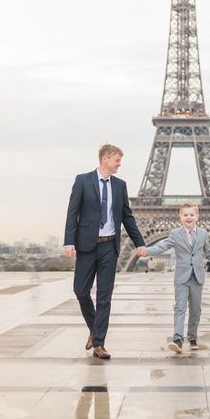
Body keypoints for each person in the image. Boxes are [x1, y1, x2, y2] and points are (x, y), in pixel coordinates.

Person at [63, 143, 145, 359]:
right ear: (105, 159)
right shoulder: (83, 180)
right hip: (87, 245)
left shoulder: (120, 185)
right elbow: (72, 213)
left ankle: (99, 342)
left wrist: (139, 242)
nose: (119, 164)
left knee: (104, 297)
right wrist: (68, 242)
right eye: (117, 160)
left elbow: (127, 216)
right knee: (80, 291)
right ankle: (94, 328)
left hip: (109, 245)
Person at [136, 202, 210, 353]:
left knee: (195, 310)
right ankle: (178, 339)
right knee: (180, 308)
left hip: (197, 277)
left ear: (197, 217)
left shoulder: (203, 233)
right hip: (182, 277)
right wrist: (147, 251)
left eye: (191, 214)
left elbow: (209, 252)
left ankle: (192, 337)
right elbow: (162, 246)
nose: (188, 217)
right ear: (180, 217)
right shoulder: (176, 234)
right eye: (185, 215)